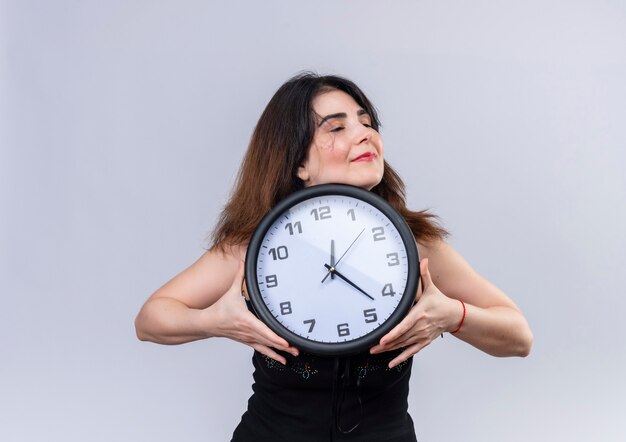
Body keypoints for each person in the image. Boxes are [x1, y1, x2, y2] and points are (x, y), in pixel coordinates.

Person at [135, 72, 533, 441]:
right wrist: (214, 322)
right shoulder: (254, 247)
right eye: (338, 127)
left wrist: (453, 315)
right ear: (298, 163)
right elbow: (151, 319)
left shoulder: (413, 244)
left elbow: (518, 335)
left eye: (366, 122)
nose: (365, 135)